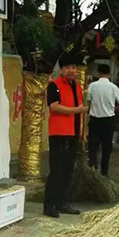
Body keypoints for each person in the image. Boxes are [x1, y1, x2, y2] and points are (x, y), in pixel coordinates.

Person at [44, 60, 87, 218]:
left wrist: (82, 132)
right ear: (61, 70)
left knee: (68, 170)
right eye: (67, 67)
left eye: (73, 67)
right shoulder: (54, 85)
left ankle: (62, 203)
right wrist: (76, 110)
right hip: (59, 133)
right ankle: (49, 205)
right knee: (56, 170)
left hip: (73, 133)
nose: (71, 70)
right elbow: (54, 106)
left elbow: (81, 111)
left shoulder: (77, 87)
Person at [87, 64, 119, 177]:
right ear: (109, 73)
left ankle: (92, 168)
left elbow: (88, 102)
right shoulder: (113, 87)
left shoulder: (92, 86)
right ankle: (104, 172)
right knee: (106, 147)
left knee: (93, 146)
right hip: (108, 120)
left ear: (98, 72)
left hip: (95, 120)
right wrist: (112, 108)